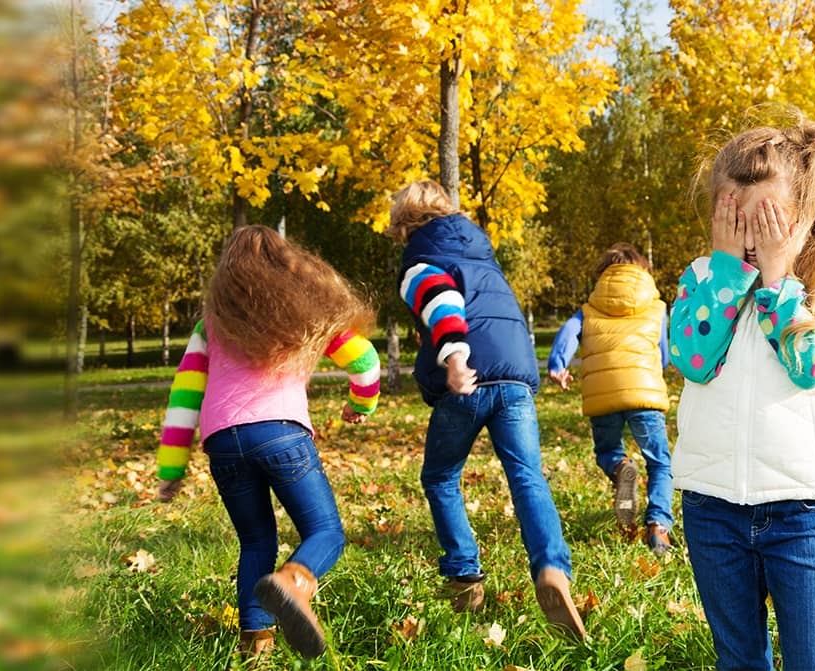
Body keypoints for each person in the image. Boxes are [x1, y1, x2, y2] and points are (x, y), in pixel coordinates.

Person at [667, 120, 815, 671]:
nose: (751, 239)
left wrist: (782, 282)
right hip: (711, 505)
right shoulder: (704, 278)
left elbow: (811, 368)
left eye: (766, 221)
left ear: (803, 219)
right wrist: (725, 274)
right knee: (738, 658)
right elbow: (691, 359)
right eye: (735, 219)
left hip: (800, 507)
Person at [151, 226, 383, 659]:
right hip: (281, 434)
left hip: (223, 444)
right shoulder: (301, 313)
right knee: (325, 531)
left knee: (256, 542)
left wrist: (170, 470)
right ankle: (294, 581)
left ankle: (255, 647)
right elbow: (367, 363)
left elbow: (183, 399)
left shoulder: (209, 327)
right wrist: (360, 406)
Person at [386, 180, 588, 640]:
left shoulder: (422, 256)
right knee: (527, 476)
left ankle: (464, 576)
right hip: (515, 376)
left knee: (439, 476)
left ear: (405, 222)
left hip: (469, 379)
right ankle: (552, 570)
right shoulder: (483, 255)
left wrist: (455, 359)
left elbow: (442, 301)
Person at [545, 243, 675, 554]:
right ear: (642, 273)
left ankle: (619, 467)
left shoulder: (588, 309)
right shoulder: (656, 308)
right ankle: (658, 526)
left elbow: (567, 334)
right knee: (659, 462)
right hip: (644, 394)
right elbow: (664, 355)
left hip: (603, 394)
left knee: (607, 450)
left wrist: (557, 366)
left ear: (604, 275)